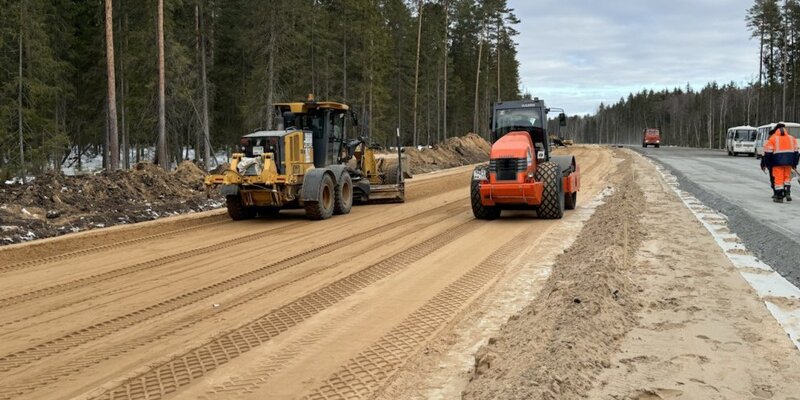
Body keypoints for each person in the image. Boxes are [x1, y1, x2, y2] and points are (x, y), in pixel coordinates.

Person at [762, 122, 800, 203]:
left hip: (777, 163)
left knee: (778, 179)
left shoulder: (772, 139)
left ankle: (779, 196)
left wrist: (768, 164)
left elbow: (767, 153)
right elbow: (797, 153)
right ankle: (787, 192)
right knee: (787, 178)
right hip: (789, 163)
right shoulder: (792, 138)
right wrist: (794, 163)